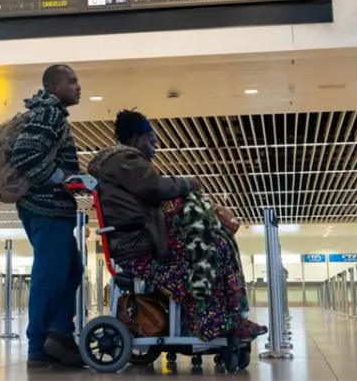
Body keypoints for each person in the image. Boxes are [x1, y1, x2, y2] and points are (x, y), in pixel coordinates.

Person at [88, 110, 264, 342]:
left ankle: (229, 319)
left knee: (217, 245)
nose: (156, 144)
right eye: (151, 139)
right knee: (206, 257)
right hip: (138, 247)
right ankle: (215, 323)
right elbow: (154, 188)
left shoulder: (122, 163)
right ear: (135, 138)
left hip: (141, 241)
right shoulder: (126, 160)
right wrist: (187, 183)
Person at [11, 64, 84, 368]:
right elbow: (24, 156)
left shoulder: (53, 114)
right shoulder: (48, 114)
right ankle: (38, 346)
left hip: (53, 208)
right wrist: (62, 179)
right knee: (49, 278)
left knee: (71, 271)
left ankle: (59, 336)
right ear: (54, 87)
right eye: (72, 81)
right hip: (46, 209)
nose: (78, 86)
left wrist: (75, 178)